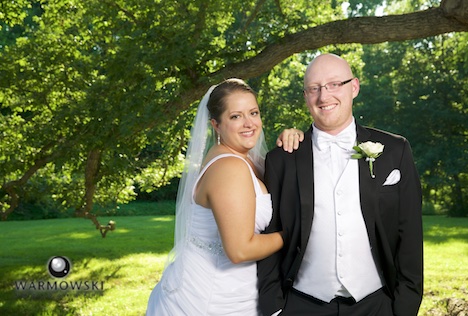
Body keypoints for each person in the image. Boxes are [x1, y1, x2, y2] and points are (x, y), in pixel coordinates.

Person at [258, 53, 423, 316]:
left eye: (335, 84)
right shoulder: (282, 159)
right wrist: (275, 308)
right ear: (306, 96)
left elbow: (410, 234)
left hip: (377, 304)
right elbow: (268, 235)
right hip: (301, 305)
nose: (324, 97)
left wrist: (403, 309)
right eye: (314, 88)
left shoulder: (395, 150)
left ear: (354, 87)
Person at [146, 78, 301, 315]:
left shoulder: (243, 158)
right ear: (216, 125)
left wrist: (292, 136)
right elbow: (239, 250)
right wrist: (292, 234)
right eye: (236, 116)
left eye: (253, 112)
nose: (249, 123)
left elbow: (280, 175)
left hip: (233, 290)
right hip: (211, 298)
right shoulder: (229, 167)